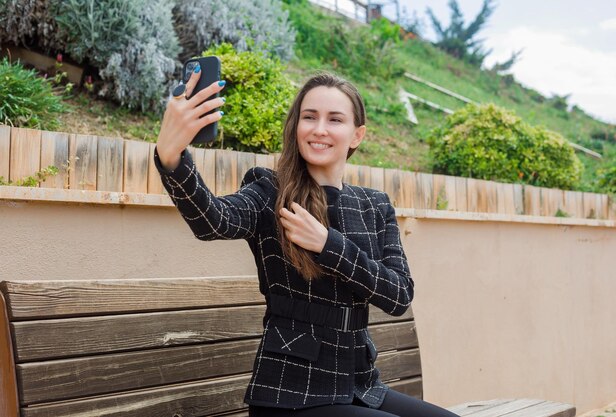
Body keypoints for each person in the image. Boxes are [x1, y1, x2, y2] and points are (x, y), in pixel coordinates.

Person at [154, 66, 458, 417]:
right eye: (309, 117)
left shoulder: (374, 206)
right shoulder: (270, 190)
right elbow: (213, 221)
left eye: (335, 120)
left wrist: (329, 245)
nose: (319, 129)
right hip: (289, 394)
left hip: (360, 385)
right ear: (296, 126)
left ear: (356, 135)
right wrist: (171, 156)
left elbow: (398, 295)